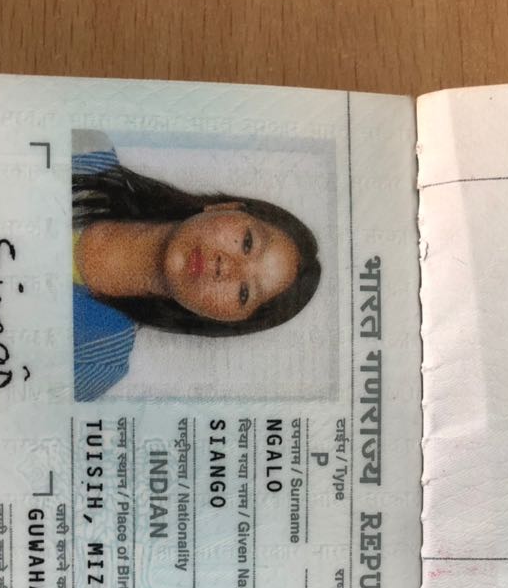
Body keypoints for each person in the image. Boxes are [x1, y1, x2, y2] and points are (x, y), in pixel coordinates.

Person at [72, 130, 322, 400]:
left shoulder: (96, 363)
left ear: (222, 320)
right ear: (225, 207)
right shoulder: (84, 150)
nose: (226, 267)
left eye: (244, 293)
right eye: (247, 242)